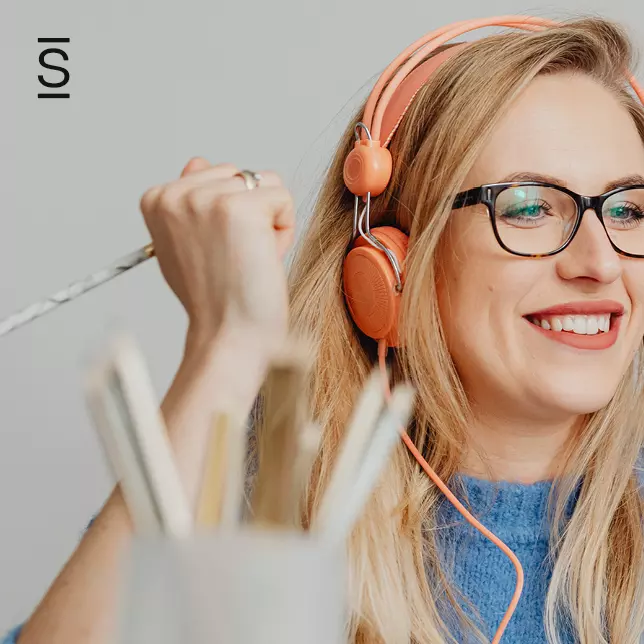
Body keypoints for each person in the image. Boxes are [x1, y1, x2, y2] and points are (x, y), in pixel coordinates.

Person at [5, 14, 644, 644]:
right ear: (391, 263)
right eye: (529, 206)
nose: (600, 262)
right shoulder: (244, 507)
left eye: (630, 209)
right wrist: (228, 345)